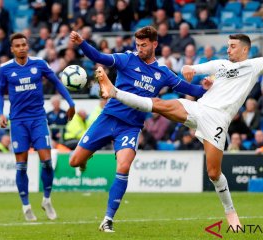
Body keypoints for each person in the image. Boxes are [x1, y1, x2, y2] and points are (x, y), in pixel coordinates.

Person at [95, 20, 263, 230]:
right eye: (227, 45)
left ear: (245, 50)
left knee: (214, 173)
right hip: (199, 109)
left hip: (218, 120)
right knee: (160, 104)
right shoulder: (220, 65)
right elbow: (193, 68)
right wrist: (189, 69)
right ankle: (114, 92)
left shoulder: (254, 66)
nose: (228, 50)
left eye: (233, 46)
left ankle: (230, 211)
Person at [69, 26, 211, 232]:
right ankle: (84, 160)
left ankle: (108, 219)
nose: (139, 48)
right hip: (108, 118)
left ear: (155, 44)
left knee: (124, 166)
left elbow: (189, 89)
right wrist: (82, 43)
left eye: (143, 45)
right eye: (137, 44)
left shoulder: (162, 73)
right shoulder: (126, 59)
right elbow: (98, 56)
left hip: (131, 127)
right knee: (75, 161)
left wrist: (207, 88)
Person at [0, 33, 75, 221]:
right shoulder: (5, 69)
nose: (22, 48)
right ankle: (26, 206)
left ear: (27, 46)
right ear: (12, 49)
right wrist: (0, 112)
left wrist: (70, 103)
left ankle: (47, 199)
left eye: (24, 44)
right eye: (18, 45)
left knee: (47, 161)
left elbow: (57, 83)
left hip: (38, 118)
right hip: (18, 122)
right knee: (21, 166)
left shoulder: (39, 64)